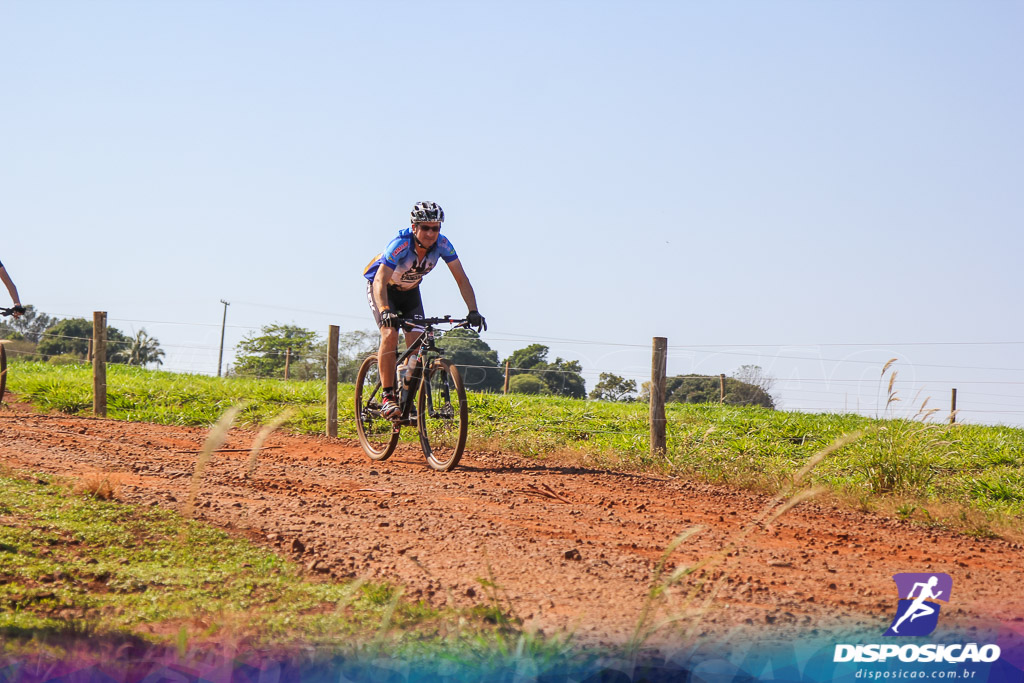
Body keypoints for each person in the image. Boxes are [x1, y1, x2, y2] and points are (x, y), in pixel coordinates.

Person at [363, 201, 486, 418]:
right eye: (425, 227)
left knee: (416, 344)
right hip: (383, 289)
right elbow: (380, 280)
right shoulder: (400, 244)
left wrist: (473, 311)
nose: (431, 233)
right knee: (390, 334)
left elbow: (461, 278)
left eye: (435, 228)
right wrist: (384, 310)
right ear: (414, 227)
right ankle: (387, 396)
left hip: (410, 293)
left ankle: (407, 394)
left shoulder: (443, 245)